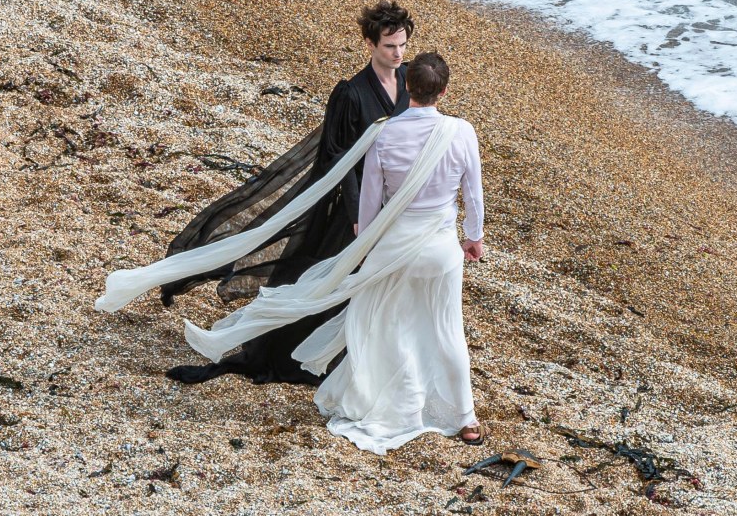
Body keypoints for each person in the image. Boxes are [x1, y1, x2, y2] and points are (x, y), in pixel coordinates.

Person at [96, 51, 486, 454]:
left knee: (387, 326)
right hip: (440, 249)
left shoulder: (384, 134)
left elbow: (370, 201)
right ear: (444, 90)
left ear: (408, 87)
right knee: (446, 330)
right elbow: (473, 193)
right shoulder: (462, 132)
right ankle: (465, 420)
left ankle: (389, 406)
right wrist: (473, 237)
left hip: (391, 247)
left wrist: (364, 245)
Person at [161, 1, 414, 386]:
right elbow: (336, 159)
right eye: (389, 47)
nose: (398, 54)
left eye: (402, 45)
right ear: (369, 44)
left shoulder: (411, 81)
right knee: (329, 280)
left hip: (396, 203)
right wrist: (357, 215)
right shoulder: (351, 94)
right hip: (357, 206)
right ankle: (299, 355)